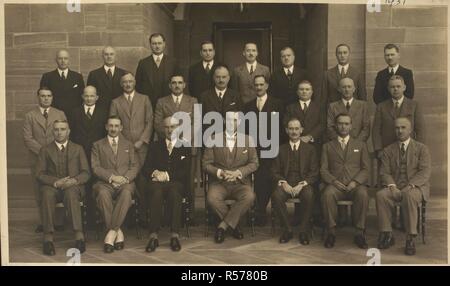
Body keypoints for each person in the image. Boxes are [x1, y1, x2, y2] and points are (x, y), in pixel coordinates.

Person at [376, 117, 431, 256]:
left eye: (403, 127)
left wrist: (411, 185)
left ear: (410, 129)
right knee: (381, 195)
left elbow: (425, 172)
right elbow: (384, 172)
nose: (399, 131)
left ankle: (410, 237)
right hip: (395, 186)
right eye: (397, 128)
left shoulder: (421, 148)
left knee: (409, 195)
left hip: (416, 187)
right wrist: (392, 186)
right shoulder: (389, 150)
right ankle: (387, 233)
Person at [202, 112, 259, 243]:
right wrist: (220, 172)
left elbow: (254, 163)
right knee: (211, 198)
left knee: (250, 196)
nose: (230, 122)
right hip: (219, 182)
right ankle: (235, 226)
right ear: (223, 121)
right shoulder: (213, 138)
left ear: (238, 122)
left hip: (240, 182)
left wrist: (238, 172)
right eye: (228, 120)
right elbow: (206, 164)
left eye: (234, 120)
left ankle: (223, 226)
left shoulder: (247, 139)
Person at [36, 120, 90, 256]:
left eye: (63, 129)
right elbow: (40, 174)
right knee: (47, 194)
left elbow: (86, 173)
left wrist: (74, 180)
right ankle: (48, 239)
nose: (59, 132)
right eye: (56, 129)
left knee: (71, 194)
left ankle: (79, 237)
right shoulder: (45, 150)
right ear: (52, 131)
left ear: (68, 131)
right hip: (52, 186)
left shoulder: (78, 149)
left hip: (72, 186)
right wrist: (56, 182)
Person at [320, 113, 370, 249]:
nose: (343, 126)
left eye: (346, 124)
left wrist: (355, 182)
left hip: (355, 185)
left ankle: (359, 233)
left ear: (351, 126)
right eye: (340, 123)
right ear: (336, 126)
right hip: (336, 185)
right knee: (327, 194)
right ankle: (331, 232)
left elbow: (366, 169)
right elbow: (323, 170)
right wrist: (334, 181)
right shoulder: (328, 146)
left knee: (363, 194)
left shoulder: (360, 145)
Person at [91, 115, 139, 253]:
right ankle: (118, 232)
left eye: (116, 126)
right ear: (106, 127)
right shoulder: (97, 145)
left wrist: (124, 178)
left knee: (127, 193)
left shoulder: (129, 145)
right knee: (102, 194)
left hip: (125, 183)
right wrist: (112, 177)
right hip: (105, 183)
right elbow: (96, 167)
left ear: (121, 128)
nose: (113, 129)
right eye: (111, 126)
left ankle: (111, 233)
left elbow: (134, 166)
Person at [142, 116, 191, 252]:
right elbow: (146, 168)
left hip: (175, 183)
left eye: (173, 127)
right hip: (156, 182)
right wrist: (155, 173)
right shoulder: (155, 146)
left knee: (175, 194)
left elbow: (185, 171)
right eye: (167, 127)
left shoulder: (185, 146)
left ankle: (174, 235)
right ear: (163, 129)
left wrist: (167, 175)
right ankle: (153, 236)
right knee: (156, 193)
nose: (170, 130)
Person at [110, 72, 153, 224]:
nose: (128, 84)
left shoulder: (144, 99)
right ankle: (127, 217)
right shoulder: (115, 102)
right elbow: (113, 124)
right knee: (126, 179)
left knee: (142, 180)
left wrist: (142, 141)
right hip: (124, 149)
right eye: (125, 82)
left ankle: (143, 216)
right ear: (121, 84)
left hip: (141, 148)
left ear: (134, 82)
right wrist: (125, 144)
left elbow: (149, 122)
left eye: (130, 81)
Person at [23, 87, 67, 233]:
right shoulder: (30, 116)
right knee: (40, 190)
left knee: (57, 186)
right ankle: (44, 223)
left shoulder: (59, 113)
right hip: (37, 159)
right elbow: (28, 139)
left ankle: (58, 222)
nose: (46, 98)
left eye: (48, 96)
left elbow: (65, 134)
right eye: (43, 96)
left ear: (52, 97)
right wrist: (44, 152)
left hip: (57, 158)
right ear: (38, 97)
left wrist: (53, 152)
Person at [271, 117, 319, 244]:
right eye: (291, 129)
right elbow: (274, 171)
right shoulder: (280, 149)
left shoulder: (310, 149)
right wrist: (283, 183)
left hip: (303, 183)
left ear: (301, 130)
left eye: (296, 129)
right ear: (286, 130)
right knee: (276, 196)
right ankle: (287, 230)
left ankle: (303, 231)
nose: (294, 131)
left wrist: (302, 184)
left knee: (309, 195)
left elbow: (314, 172)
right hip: (286, 182)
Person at [244, 75, 283, 226]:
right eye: (256, 85)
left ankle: (262, 211)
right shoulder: (248, 106)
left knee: (267, 178)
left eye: (261, 85)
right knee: (256, 179)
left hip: (272, 149)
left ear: (267, 86)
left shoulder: (277, 104)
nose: (259, 88)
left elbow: (280, 127)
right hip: (254, 149)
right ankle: (257, 210)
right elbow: (246, 130)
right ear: (253, 87)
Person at [372, 75, 425, 158]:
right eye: (392, 87)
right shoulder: (381, 107)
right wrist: (379, 150)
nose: (395, 89)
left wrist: (418, 150)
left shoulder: (414, 106)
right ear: (388, 89)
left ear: (404, 87)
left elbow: (420, 130)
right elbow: (376, 131)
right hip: (387, 151)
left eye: (398, 86)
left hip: (409, 150)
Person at [135, 33, 179, 107]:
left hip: (169, 104)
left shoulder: (173, 63)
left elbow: (179, 84)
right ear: (150, 45)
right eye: (154, 43)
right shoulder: (143, 63)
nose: (157, 46)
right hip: (148, 104)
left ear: (164, 44)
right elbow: (138, 85)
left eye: (159, 43)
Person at [40, 49, 84, 115]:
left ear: (69, 60)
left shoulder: (77, 77)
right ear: (56, 60)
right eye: (60, 58)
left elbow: (82, 96)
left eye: (65, 58)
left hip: (73, 114)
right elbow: (43, 97)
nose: (63, 61)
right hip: (54, 114)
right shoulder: (47, 77)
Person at [327, 77, 370, 142]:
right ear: (339, 89)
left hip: (358, 144)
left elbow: (366, 128)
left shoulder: (363, 106)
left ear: (354, 89)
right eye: (344, 87)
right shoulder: (332, 106)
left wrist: (356, 143)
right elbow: (330, 127)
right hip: (339, 144)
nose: (347, 89)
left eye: (349, 87)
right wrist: (341, 141)